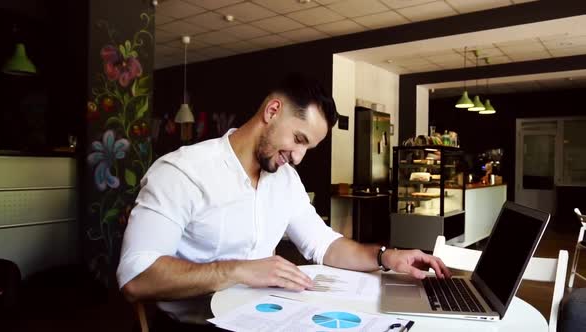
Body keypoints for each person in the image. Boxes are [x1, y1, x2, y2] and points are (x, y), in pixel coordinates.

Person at [117, 73, 451, 329]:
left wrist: (385, 256)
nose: (299, 157)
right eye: (298, 139)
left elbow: (324, 244)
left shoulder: (285, 179)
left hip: (263, 318)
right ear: (272, 111)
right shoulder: (182, 172)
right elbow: (136, 277)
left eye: (308, 148)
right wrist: (239, 271)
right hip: (195, 325)